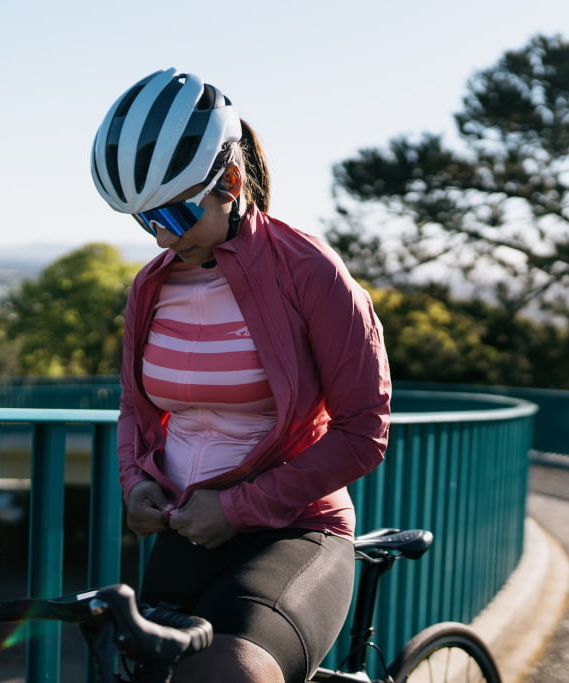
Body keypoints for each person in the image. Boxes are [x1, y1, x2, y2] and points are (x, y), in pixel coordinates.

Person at [90, 68, 391, 683]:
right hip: (189, 529)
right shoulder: (151, 286)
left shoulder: (309, 270)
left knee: (229, 674)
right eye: (143, 220)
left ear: (229, 181)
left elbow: (365, 429)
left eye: (173, 215)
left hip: (295, 529)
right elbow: (136, 408)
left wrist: (240, 506)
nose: (160, 238)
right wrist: (135, 483)